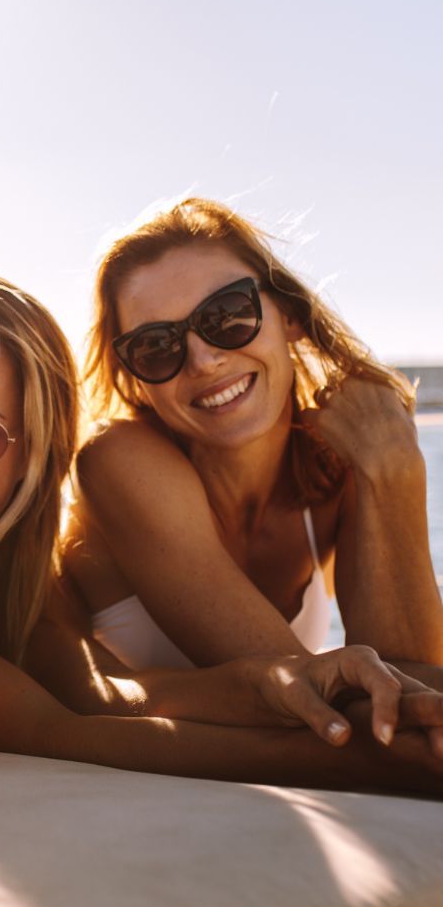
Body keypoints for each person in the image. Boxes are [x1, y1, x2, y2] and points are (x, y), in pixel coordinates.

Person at [0, 270, 443, 792]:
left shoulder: (7, 566)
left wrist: (284, 682)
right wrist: (381, 764)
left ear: (35, 453)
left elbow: (105, 693)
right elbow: (53, 730)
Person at [62, 197, 443, 677]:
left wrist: (393, 467)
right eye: (156, 346)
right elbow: (308, 698)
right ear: (136, 378)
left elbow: (409, 684)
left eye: (227, 315)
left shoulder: (334, 467)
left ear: (290, 316)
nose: (203, 360)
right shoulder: (119, 461)